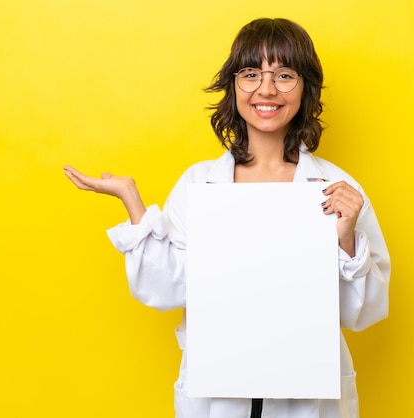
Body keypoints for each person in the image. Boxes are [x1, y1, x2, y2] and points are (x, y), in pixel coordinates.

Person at [64, 17, 390, 418]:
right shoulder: (200, 184)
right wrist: (132, 201)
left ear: (305, 87)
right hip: (219, 399)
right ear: (233, 85)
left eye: (284, 74)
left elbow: (363, 314)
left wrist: (346, 239)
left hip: (307, 399)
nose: (266, 89)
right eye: (251, 74)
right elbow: (166, 290)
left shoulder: (337, 188)